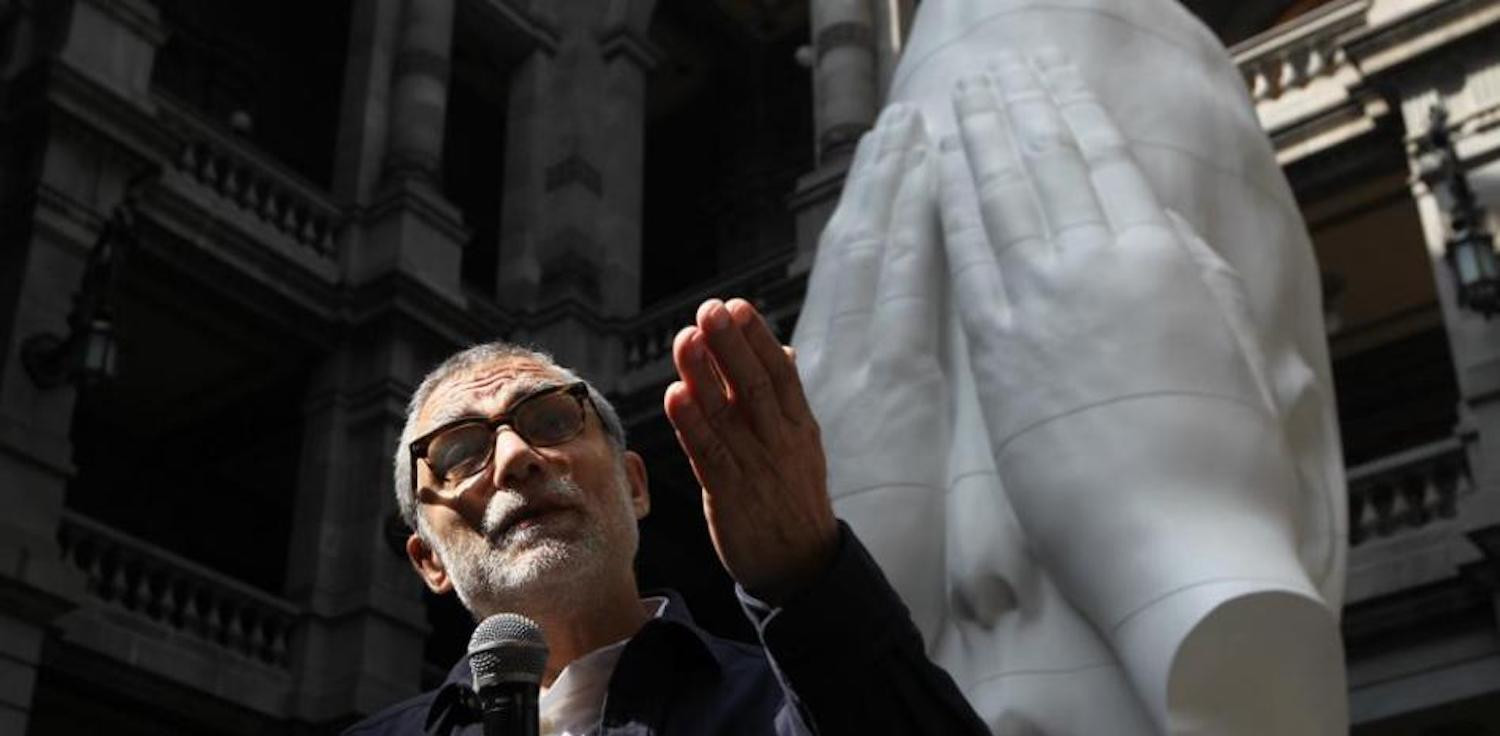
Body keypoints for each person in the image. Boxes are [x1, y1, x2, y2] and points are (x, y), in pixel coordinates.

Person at [343, 293, 991, 732]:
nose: (515, 456)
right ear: (430, 559)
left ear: (634, 487)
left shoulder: (789, 705)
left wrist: (808, 582)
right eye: (460, 451)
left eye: (550, 419)